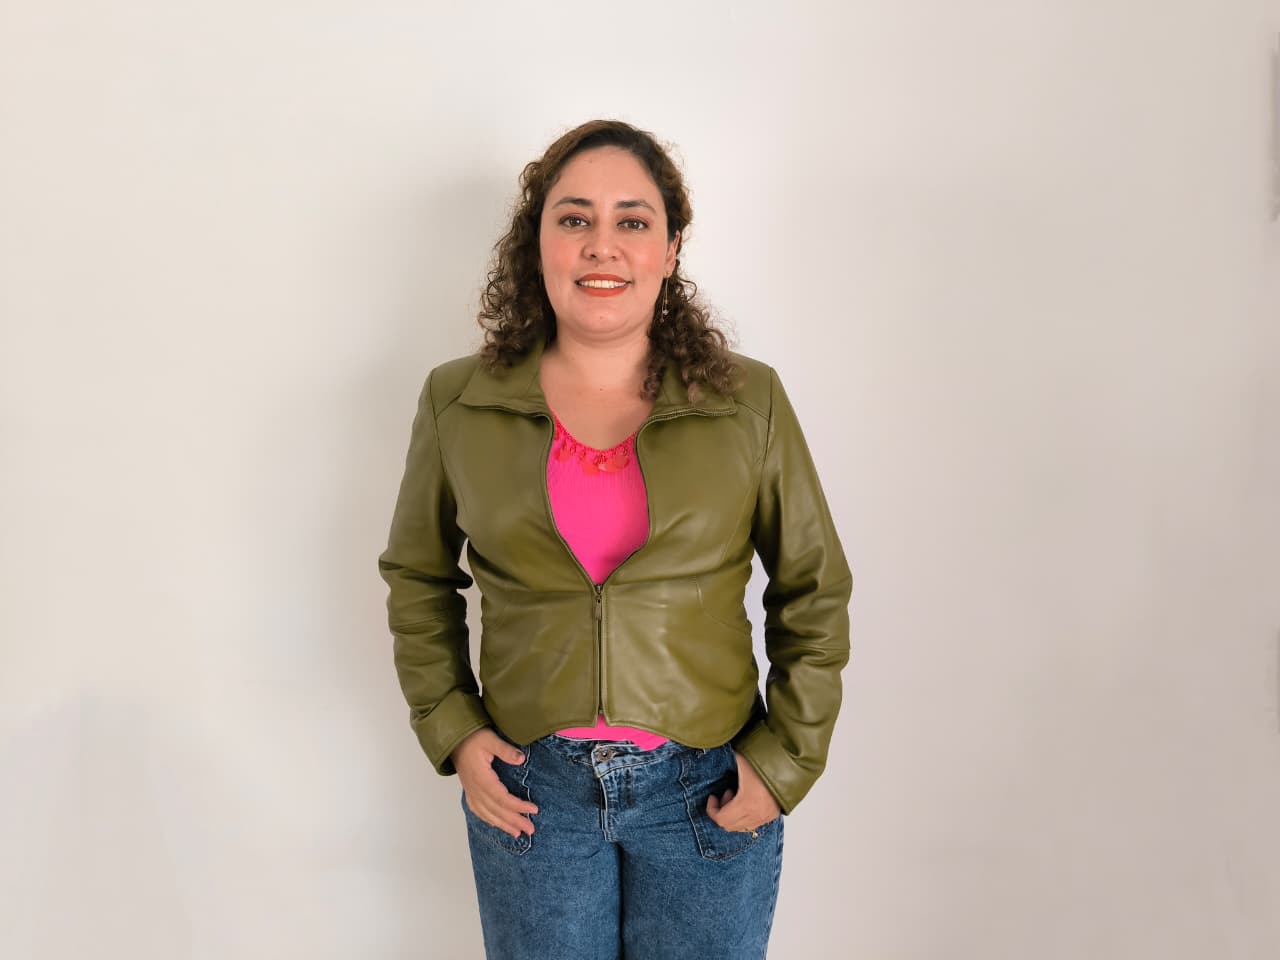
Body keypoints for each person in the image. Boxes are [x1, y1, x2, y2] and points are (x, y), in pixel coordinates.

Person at [378, 119, 851, 960]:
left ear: (670, 249)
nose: (603, 244)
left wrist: (785, 762)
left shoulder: (749, 403)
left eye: (632, 220)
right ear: (537, 244)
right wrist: (453, 727)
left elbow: (813, 587)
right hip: (532, 791)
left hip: (706, 786)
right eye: (575, 219)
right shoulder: (459, 402)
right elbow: (418, 575)